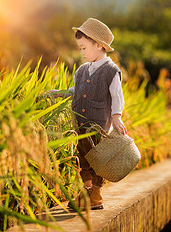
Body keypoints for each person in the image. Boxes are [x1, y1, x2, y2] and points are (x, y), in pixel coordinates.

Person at [47, 18, 127, 210]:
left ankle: (96, 194)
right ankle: (86, 192)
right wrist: (61, 93)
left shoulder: (111, 71)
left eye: (84, 48)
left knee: (97, 159)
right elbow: (77, 90)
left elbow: (117, 95)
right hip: (80, 124)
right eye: (79, 48)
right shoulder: (82, 70)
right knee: (83, 157)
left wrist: (116, 116)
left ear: (98, 45)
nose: (81, 52)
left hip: (99, 125)